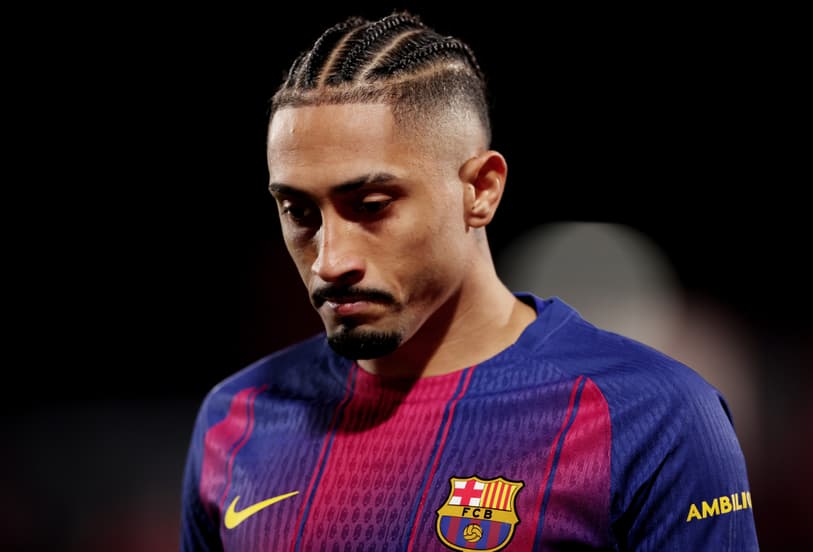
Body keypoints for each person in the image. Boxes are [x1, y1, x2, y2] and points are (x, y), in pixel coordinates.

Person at [180, 12, 759, 551]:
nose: (329, 261)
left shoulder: (653, 416)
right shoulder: (235, 419)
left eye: (372, 205)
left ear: (481, 189)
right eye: (299, 212)